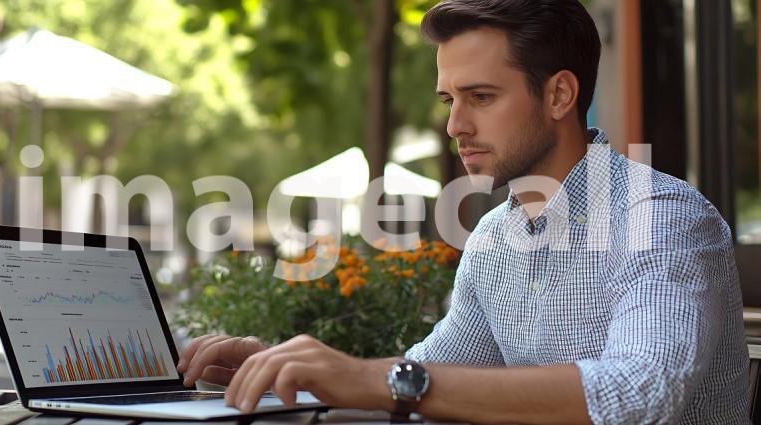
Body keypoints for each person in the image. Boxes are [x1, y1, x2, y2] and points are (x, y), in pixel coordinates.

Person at [176, 0, 750, 423]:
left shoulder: (663, 218)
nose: (455, 125)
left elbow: (640, 393)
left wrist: (376, 379)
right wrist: (286, 373)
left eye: (481, 97)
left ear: (559, 95)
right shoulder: (496, 237)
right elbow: (426, 379)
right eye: (450, 100)